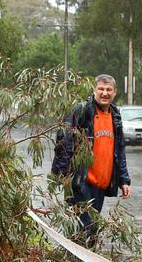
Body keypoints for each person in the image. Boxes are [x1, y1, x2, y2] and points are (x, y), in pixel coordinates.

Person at [51, 74, 132, 243]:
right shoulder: (82, 110)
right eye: (101, 89)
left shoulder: (115, 116)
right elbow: (64, 139)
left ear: (114, 92)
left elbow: (120, 149)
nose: (104, 93)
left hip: (101, 184)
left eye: (108, 89)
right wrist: (63, 174)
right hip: (81, 182)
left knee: (91, 228)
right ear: (94, 90)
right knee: (86, 229)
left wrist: (124, 180)